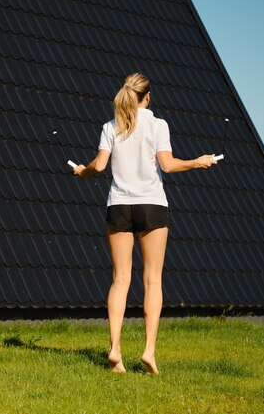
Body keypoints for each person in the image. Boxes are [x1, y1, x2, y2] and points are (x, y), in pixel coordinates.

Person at [73, 73, 216, 374]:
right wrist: (197, 161)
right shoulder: (158, 125)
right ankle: (149, 352)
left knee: (120, 279)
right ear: (147, 97)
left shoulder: (110, 127)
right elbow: (167, 165)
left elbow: (98, 167)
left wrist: (82, 171)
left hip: (120, 206)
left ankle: (115, 349)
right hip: (152, 204)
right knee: (152, 280)